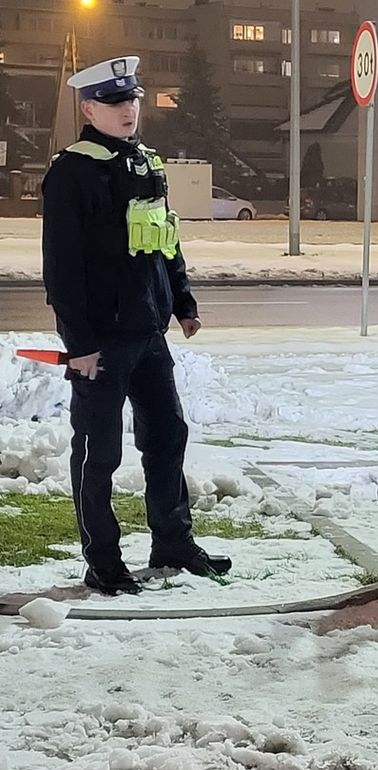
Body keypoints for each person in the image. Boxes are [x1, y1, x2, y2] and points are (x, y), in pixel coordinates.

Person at [42, 55, 231, 596]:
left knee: (168, 436)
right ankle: (102, 560)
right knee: (99, 452)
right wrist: (77, 344)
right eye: (113, 102)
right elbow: (61, 268)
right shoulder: (72, 171)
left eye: (132, 100)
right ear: (88, 108)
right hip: (99, 340)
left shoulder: (146, 163)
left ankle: (172, 541)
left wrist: (183, 302)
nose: (127, 110)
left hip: (149, 333)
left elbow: (165, 240)